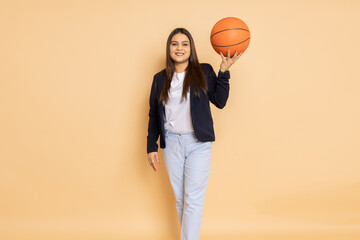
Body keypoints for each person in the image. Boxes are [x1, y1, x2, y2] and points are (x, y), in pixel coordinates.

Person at [146, 27, 241, 240]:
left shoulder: (204, 71)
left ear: (191, 48)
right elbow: (154, 114)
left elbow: (220, 101)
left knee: (193, 199)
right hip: (171, 143)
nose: (179, 48)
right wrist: (151, 146)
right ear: (169, 48)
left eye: (184, 44)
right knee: (181, 200)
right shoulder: (159, 79)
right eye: (175, 44)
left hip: (198, 144)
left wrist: (224, 72)